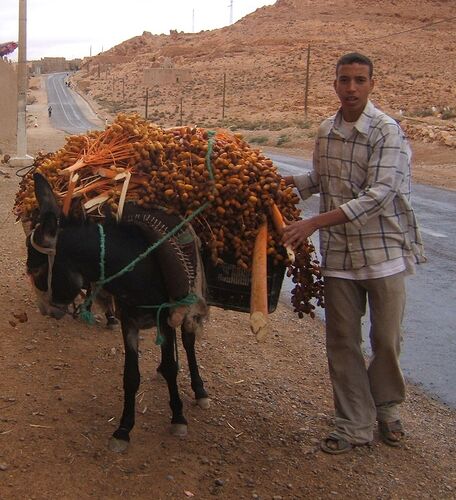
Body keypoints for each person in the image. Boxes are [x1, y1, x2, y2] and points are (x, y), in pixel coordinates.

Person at [282, 52, 426, 454]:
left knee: (385, 339)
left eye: (359, 80)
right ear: (334, 85)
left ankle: (387, 409)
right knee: (342, 342)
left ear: (371, 84)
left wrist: (311, 224)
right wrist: (278, 183)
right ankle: (352, 424)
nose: (351, 88)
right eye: (344, 80)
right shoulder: (326, 130)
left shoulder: (386, 132)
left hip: (383, 252)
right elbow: (321, 178)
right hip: (341, 257)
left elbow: (379, 195)